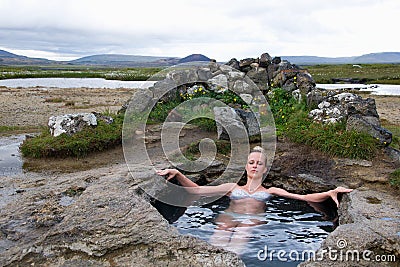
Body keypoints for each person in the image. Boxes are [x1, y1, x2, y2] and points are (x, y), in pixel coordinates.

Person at [156, 146, 352, 254]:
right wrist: (178, 173)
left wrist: (330, 192)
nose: (255, 166)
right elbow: (197, 192)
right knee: (213, 251)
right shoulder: (232, 187)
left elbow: (303, 197)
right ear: (246, 166)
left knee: (235, 248)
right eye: (251, 162)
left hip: (250, 222)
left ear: (265, 169)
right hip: (227, 219)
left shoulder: (271, 190)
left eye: (259, 163)